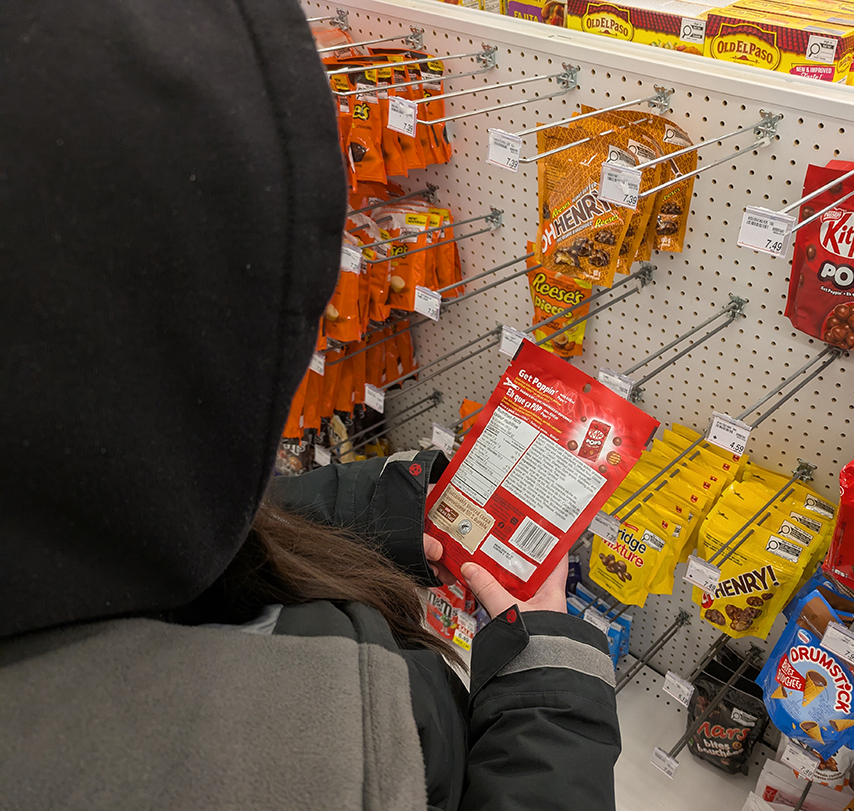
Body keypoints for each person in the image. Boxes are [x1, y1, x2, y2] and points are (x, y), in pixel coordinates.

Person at [0, 2, 620, 809]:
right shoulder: (348, 736)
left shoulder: (70, 525)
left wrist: (400, 505)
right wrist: (551, 695)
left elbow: (112, 515)